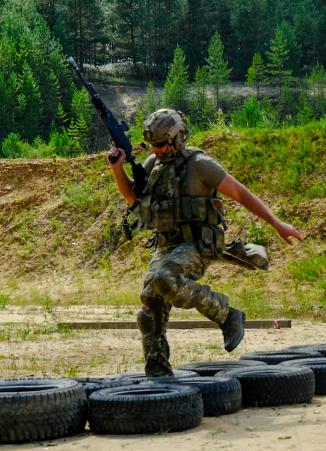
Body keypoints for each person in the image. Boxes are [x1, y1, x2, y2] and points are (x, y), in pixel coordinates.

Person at [108, 108, 302, 377]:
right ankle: (158, 371)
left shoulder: (200, 164)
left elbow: (241, 194)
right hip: (167, 244)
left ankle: (227, 315)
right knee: (149, 306)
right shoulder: (154, 165)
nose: (158, 150)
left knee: (166, 279)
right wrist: (117, 169)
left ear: (177, 137)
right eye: (153, 145)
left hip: (199, 242)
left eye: (162, 144)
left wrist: (277, 224)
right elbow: (133, 199)